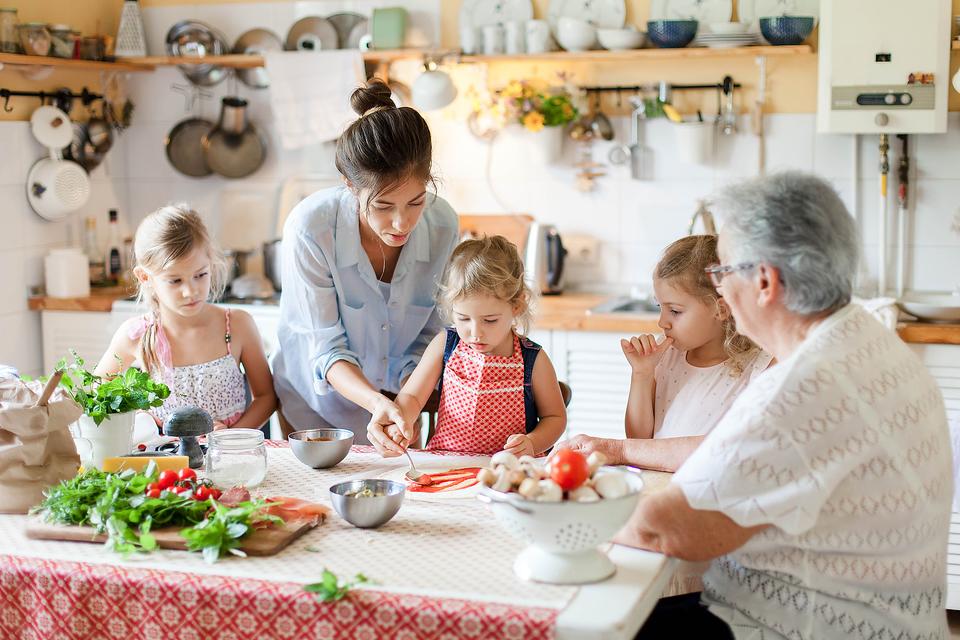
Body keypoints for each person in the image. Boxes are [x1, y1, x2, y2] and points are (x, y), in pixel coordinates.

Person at [620, 172, 951, 639]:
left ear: (764, 282)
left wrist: (552, 508)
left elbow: (664, 531)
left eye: (722, 272)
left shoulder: (801, 388)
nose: (721, 291)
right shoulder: (865, 338)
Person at [272, 79, 459, 441]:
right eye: (383, 206)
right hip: (318, 403)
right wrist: (378, 403)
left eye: (416, 202)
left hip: (402, 397)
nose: (402, 222)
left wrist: (407, 401)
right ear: (350, 185)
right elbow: (326, 349)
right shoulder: (312, 228)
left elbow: (432, 335)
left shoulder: (443, 225)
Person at [564, 235, 772, 473]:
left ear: (721, 309)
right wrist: (642, 375)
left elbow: (731, 454)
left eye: (674, 311)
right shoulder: (668, 357)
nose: (662, 322)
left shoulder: (758, 369)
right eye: (659, 307)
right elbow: (638, 440)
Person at [367, 236, 566, 457]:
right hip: (446, 463)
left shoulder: (533, 359)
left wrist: (532, 443)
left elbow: (555, 418)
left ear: (517, 305)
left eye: (490, 320)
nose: (475, 333)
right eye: (463, 318)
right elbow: (412, 397)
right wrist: (400, 421)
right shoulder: (445, 344)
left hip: (508, 472)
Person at [95, 205, 276, 429]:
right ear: (144, 277)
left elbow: (266, 397)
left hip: (228, 457)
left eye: (200, 275)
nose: (191, 291)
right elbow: (98, 390)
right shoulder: (136, 334)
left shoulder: (238, 325)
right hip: (166, 460)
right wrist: (140, 417)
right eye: (175, 280)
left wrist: (230, 437)